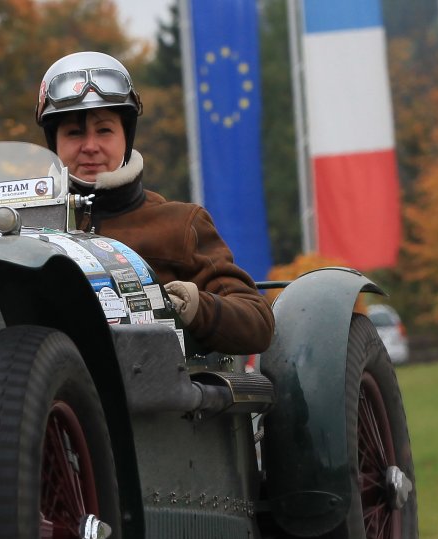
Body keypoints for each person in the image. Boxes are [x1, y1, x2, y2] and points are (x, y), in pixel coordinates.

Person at [35, 51, 274, 355]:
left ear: (126, 137)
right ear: (53, 142)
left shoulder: (180, 223)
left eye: (104, 130)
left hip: (154, 380)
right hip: (40, 378)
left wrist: (192, 306)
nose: (90, 146)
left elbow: (258, 322)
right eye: (74, 133)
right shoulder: (23, 229)